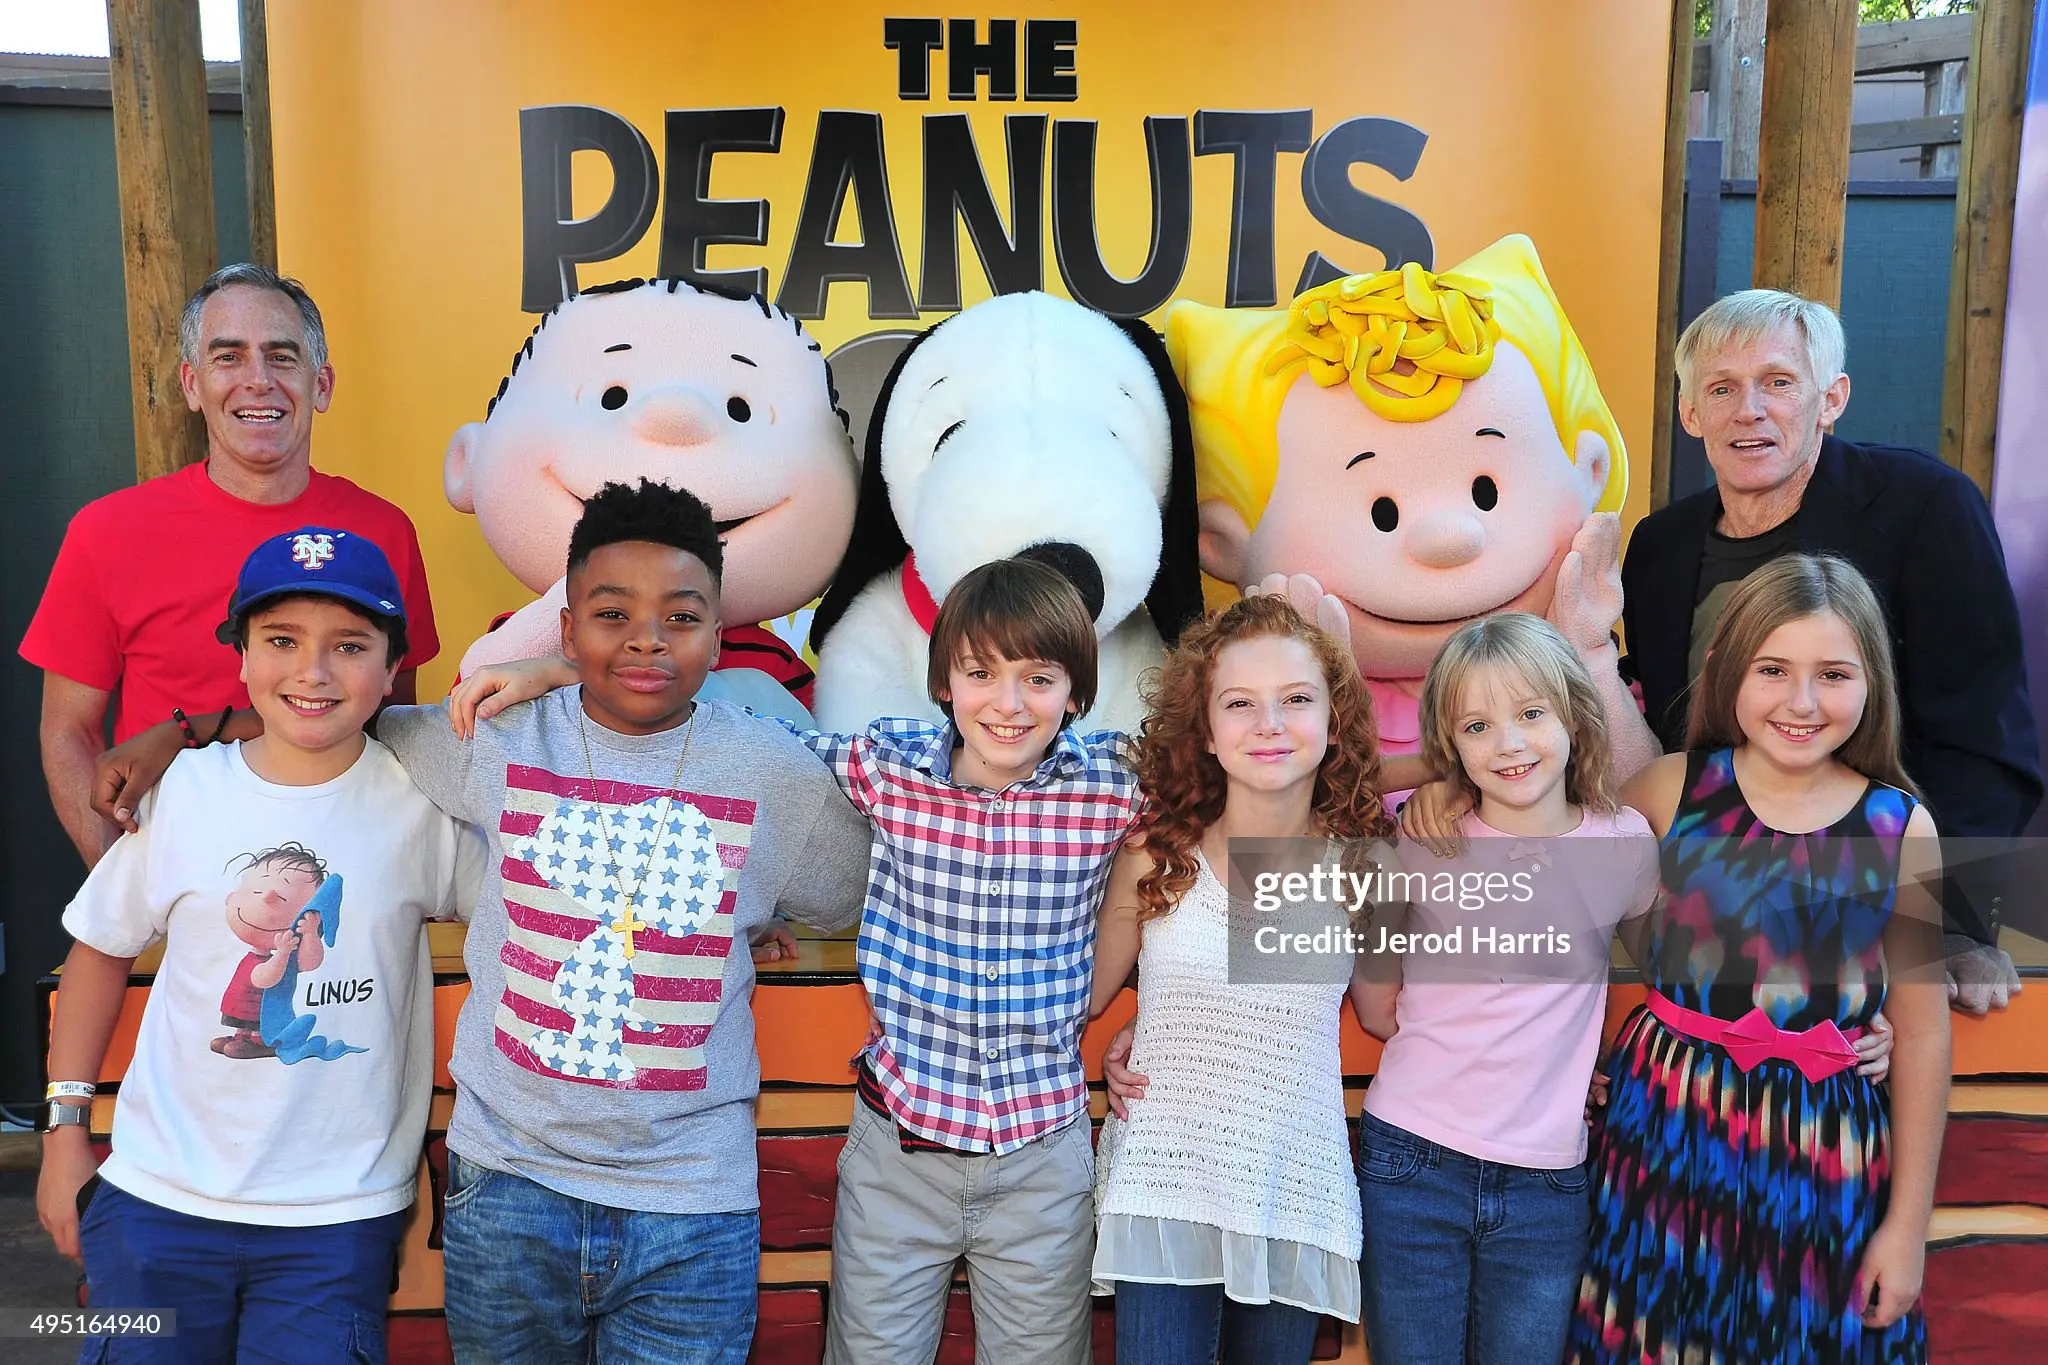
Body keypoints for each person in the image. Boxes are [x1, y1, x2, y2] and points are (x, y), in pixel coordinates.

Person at [103, 480, 873, 1363]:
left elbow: (845, 892)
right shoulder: (489, 734)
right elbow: (335, 716)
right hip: (509, 1189)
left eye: (683, 615)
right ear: (568, 621)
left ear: (719, 625)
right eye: (611, 613)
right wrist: (184, 727)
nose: (648, 638)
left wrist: (747, 909)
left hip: (692, 1203)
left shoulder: (772, 769)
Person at [35, 527, 478, 1365]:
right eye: (281, 641)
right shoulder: (188, 792)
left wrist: (739, 914)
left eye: (350, 646)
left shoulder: (420, 802)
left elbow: (530, 900)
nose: (312, 672)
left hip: (335, 1217)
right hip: (156, 1205)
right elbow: (98, 944)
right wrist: (64, 1130)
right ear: (241, 658)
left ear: (393, 669)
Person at [1571, 554, 1949, 1362]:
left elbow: (1920, 1034)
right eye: (1773, 669)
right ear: (1726, 670)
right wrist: (1573, 1060)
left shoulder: (1899, 829)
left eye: (1834, 673)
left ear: (1872, 681)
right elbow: (1563, 924)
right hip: (1665, 1142)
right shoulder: (1667, 794)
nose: (1801, 701)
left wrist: (1907, 1228)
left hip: (1824, 1161)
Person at [1621, 289, 2037, 1013]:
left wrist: (1949, 920)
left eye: (1778, 382)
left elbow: (1984, 728)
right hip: (1709, 915)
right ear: (1692, 414)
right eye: (1721, 388)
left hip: (1871, 902)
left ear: (1831, 398)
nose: (1749, 409)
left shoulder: (1926, 507)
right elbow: (1664, 735)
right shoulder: (1657, 548)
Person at [23, 263, 439, 866]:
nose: (258, 380)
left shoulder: (383, 530)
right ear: (193, 385)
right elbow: (69, 733)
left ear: (321, 385)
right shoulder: (106, 532)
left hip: (342, 867)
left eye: (282, 356)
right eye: (229, 357)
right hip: (170, 868)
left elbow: (390, 719)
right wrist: (117, 879)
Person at [1087, 592, 1391, 1364]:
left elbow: (1389, 1016)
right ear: (1207, 729)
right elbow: (1081, 997)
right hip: (1166, 1176)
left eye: (1296, 699)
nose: (1269, 723)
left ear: (1333, 716)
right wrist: (1139, 1027)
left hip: (1291, 1182)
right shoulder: (1156, 853)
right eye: (1240, 703)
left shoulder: (1363, 865)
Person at [1349, 612, 1658, 1362]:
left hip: (1548, 1178)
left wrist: (1857, 1021)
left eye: (1530, 714)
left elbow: (1673, 979)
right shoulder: (1418, 839)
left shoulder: (1625, 843)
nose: (1510, 742)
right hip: (1412, 1160)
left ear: (1575, 718)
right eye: (1477, 725)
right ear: (1447, 745)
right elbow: (1377, 1007)